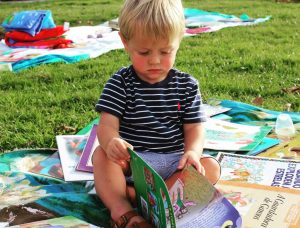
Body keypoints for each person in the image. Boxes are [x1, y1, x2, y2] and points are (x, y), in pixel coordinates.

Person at [93, 0, 221, 227]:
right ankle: (122, 208)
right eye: (144, 52)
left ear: (179, 40)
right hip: (134, 164)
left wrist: (192, 152)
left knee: (211, 167)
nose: (154, 60)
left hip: (174, 163)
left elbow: (195, 128)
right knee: (101, 157)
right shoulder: (120, 83)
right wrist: (112, 141)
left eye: (165, 51)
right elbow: (107, 124)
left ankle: (156, 201)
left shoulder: (187, 85)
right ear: (125, 41)